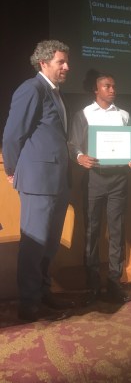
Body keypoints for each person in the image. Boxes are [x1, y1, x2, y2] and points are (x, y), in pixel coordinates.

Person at [2, 40, 74, 322]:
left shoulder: (54, 92)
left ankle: (43, 292)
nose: (67, 66)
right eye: (61, 62)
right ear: (43, 63)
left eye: (66, 61)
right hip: (37, 180)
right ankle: (29, 305)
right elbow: (11, 135)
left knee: (50, 244)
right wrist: (11, 169)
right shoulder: (31, 89)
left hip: (57, 180)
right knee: (34, 245)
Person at [69, 70, 131, 303]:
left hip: (119, 179)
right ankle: (92, 285)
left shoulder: (124, 115)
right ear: (96, 90)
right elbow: (72, 143)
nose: (112, 90)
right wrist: (80, 157)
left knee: (117, 231)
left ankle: (113, 282)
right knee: (92, 232)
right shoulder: (85, 114)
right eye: (107, 86)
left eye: (114, 86)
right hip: (94, 179)